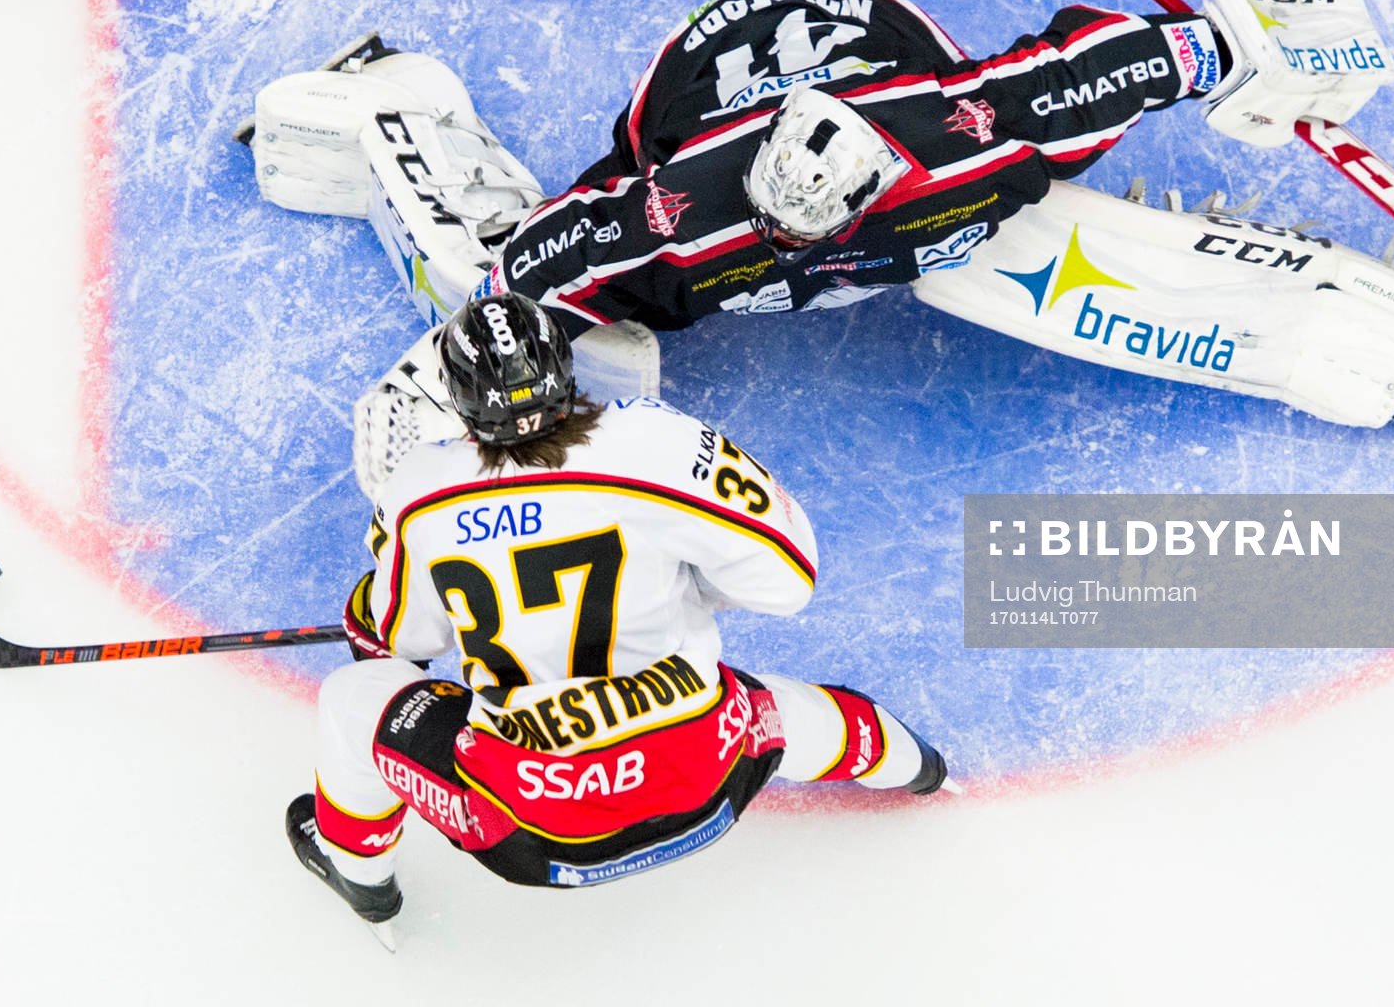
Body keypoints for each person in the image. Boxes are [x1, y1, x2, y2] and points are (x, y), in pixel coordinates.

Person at [249, 0, 1394, 482]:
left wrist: (1241, 47)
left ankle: (1334, 330)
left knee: (1026, 265)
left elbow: (1114, 62)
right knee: (491, 282)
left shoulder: (968, 132)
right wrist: (513, 366)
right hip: (704, 90)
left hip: (875, 55)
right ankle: (393, 101)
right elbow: (521, 271)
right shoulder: (672, 217)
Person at [287, 292, 949, 939]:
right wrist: (685, 583)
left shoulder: (418, 490)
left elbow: (401, 641)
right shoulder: (654, 437)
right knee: (780, 711)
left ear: (461, 397)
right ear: (561, 368)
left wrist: (369, 611)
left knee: (353, 699)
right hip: (708, 784)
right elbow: (788, 580)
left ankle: (362, 881)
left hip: (532, 834)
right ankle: (919, 768)